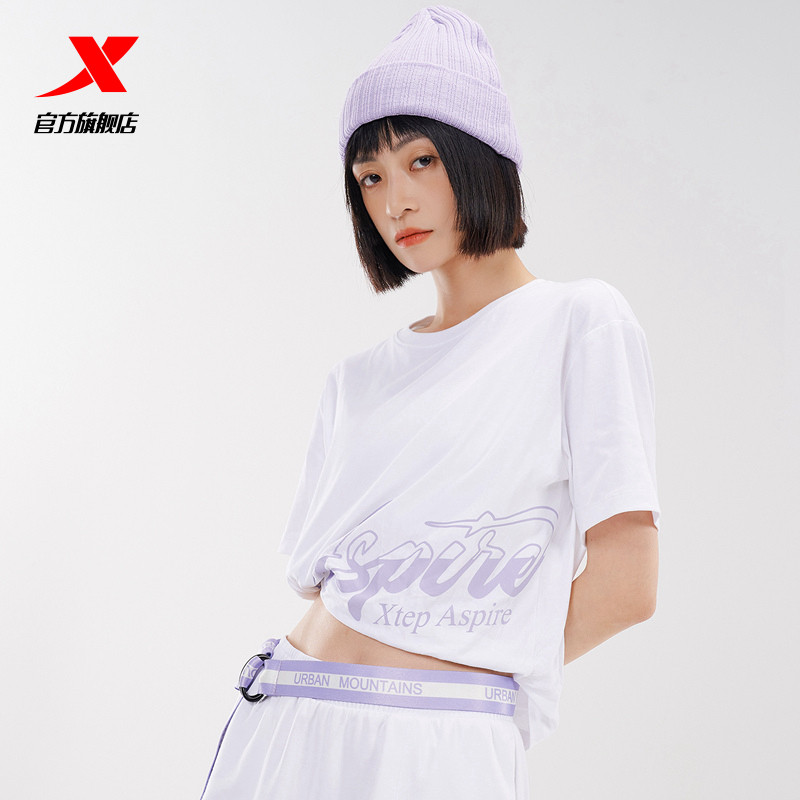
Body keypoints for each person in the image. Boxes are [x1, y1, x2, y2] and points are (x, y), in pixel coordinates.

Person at [199, 6, 660, 799]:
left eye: (421, 161)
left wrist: (469, 678)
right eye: (371, 178)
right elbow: (320, 580)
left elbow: (628, 584)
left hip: (439, 738)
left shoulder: (578, 321)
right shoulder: (357, 380)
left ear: (480, 158)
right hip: (283, 719)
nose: (395, 202)